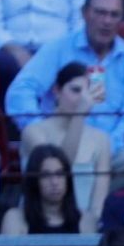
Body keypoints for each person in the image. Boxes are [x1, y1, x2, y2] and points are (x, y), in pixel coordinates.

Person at [6, 0, 124, 162]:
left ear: (122, 18)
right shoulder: (58, 49)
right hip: (56, 146)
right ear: (85, 13)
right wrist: (39, 132)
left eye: (114, 14)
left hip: (110, 151)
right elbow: (20, 92)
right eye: (100, 13)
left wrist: (105, 146)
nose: (107, 21)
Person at [17, 61, 111, 218]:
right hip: (37, 222)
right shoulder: (33, 132)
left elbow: (98, 203)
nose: (83, 98)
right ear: (57, 91)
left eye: (88, 91)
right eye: (76, 90)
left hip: (81, 227)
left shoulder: (101, 139)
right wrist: (79, 115)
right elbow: (61, 166)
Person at [0, 0, 84, 93]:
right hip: (11, 51)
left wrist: (58, 53)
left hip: (59, 49)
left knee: (73, 63)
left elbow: (80, 25)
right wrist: (17, 52)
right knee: (3, 64)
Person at [0, 143, 85, 233]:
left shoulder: (84, 220)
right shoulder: (15, 219)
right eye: (46, 175)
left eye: (60, 174)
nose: (54, 182)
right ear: (34, 181)